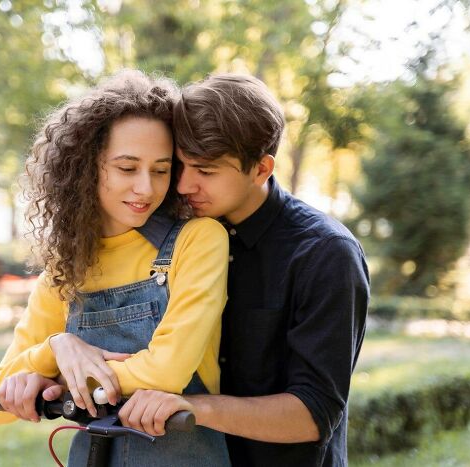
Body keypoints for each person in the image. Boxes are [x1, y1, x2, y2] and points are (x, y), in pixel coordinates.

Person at [117, 74, 370, 466]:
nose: (183, 185)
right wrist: (63, 347)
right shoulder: (170, 230)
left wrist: (193, 407)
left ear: (261, 169)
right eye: (181, 164)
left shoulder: (325, 253)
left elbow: (314, 413)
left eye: (206, 170)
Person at [0, 70, 230, 466]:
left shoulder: (198, 240)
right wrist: (59, 347)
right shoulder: (66, 269)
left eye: (161, 170)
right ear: (87, 168)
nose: (146, 188)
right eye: (127, 168)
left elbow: (166, 372)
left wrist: (57, 383)